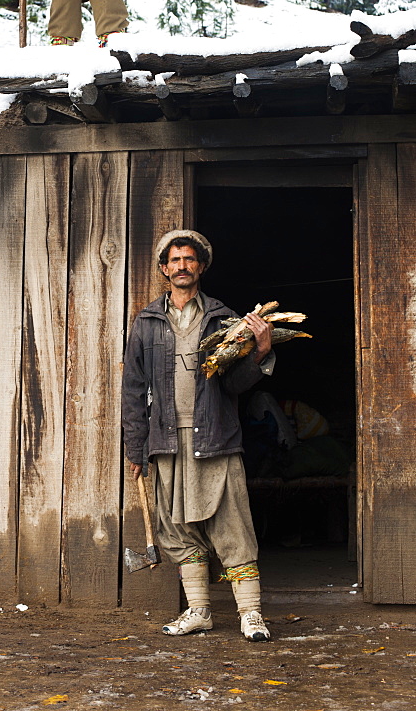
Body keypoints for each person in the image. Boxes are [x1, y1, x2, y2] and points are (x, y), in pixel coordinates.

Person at [122, 230, 275, 642]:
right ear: (163, 270)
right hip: (167, 440)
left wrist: (259, 350)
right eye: (174, 261)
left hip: (216, 436)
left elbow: (236, 384)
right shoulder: (147, 323)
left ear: (201, 267)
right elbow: (134, 389)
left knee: (232, 523)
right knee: (177, 527)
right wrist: (135, 447)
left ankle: (251, 614)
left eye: (189, 259)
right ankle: (200, 611)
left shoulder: (224, 319)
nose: (182, 266)